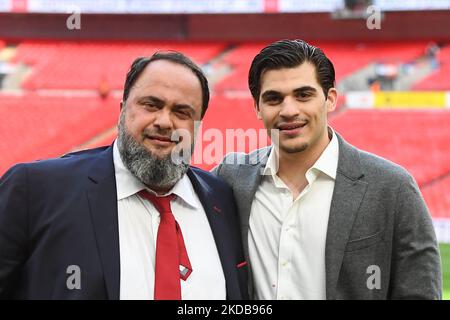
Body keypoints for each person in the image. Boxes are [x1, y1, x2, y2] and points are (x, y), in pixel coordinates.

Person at [0, 51, 248, 300]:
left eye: (182, 112)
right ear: (121, 110)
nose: (164, 121)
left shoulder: (222, 200)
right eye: (151, 105)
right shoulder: (37, 190)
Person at [212, 39, 442, 300]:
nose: (289, 111)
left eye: (303, 95)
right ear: (257, 107)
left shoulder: (392, 187)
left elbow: (420, 293)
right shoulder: (230, 178)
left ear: (330, 99)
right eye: (274, 98)